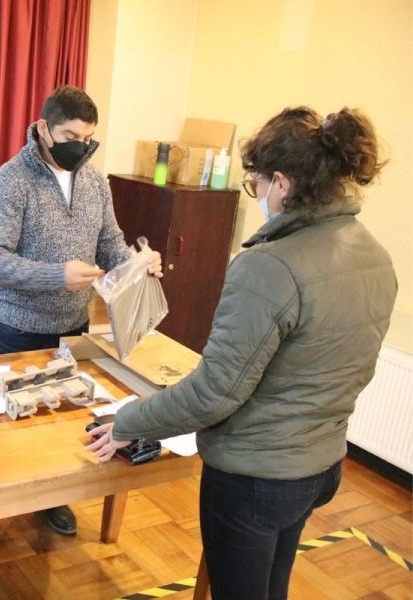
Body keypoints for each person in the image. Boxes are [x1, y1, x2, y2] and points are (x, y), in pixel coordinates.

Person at [86, 107, 397, 600]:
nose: (256, 198)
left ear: (282, 183)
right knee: (273, 584)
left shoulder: (270, 267)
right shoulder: (372, 253)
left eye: (254, 185)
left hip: (257, 478)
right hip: (320, 465)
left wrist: (129, 421)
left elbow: (214, 394)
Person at [0, 85, 162, 543]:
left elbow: (111, 244)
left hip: (72, 328)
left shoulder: (95, 181)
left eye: (88, 136)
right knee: (4, 429)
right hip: (16, 328)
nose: (80, 145)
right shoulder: (9, 181)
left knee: (64, 419)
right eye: (69, 134)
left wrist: (137, 263)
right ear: (43, 129)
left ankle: (53, 496)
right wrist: (56, 275)